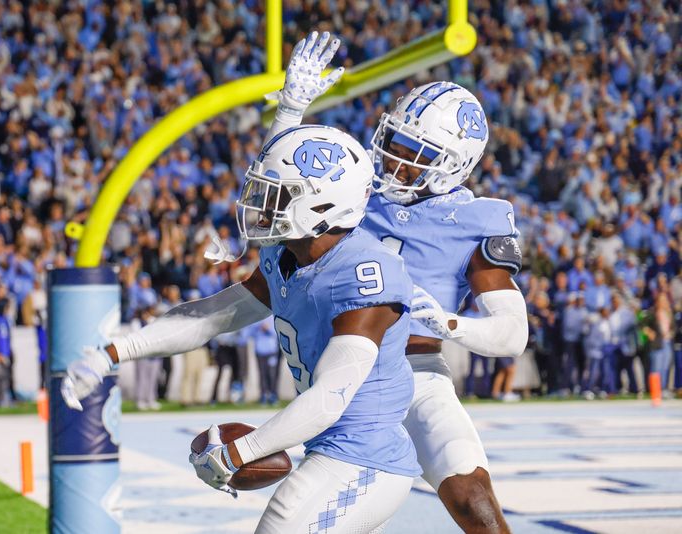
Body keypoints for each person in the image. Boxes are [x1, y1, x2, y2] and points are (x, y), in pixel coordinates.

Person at [62, 125, 419, 533]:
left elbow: (328, 398)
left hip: (365, 457)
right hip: (332, 449)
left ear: (321, 207)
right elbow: (211, 316)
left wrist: (237, 454)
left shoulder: (364, 272)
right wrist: (112, 353)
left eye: (279, 195)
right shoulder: (287, 255)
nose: (264, 207)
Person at [244, 32, 527, 533]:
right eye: (394, 141)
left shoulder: (473, 218)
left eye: (413, 151)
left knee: (471, 494)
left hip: (416, 371)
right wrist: (290, 111)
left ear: (453, 165)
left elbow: (511, 335)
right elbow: (276, 184)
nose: (393, 158)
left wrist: (447, 321)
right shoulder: (354, 184)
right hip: (342, 368)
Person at [252, 315, 280, 405]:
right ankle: (263, 395)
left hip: (271, 351)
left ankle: (273, 395)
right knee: (262, 375)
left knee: (272, 374)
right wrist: (258, 327)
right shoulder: (257, 317)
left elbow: (278, 333)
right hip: (260, 351)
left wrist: (268, 329)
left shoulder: (273, 316)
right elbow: (250, 333)